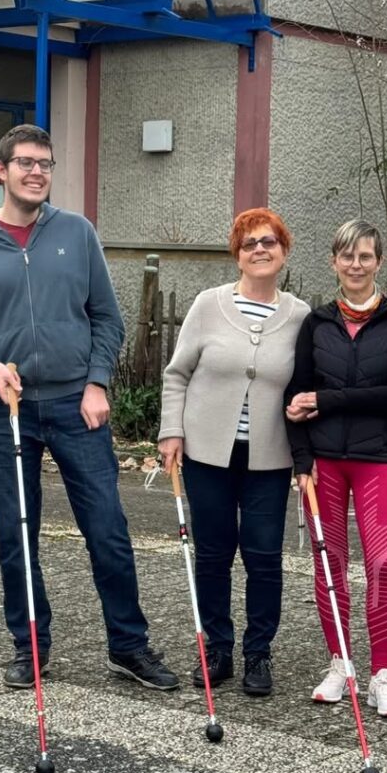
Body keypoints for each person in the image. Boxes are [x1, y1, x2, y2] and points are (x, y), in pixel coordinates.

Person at [0, 123, 178, 692]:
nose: (37, 171)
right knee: (17, 534)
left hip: (75, 404)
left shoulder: (77, 233)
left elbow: (107, 319)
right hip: (5, 411)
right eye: (24, 162)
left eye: (45, 162)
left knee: (108, 529)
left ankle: (128, 645)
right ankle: (31, 646)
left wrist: (97, 383)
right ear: (1, 172)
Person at [158, 208, 310, 696]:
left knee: (264, 556)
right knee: (213, 553)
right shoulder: (208, 304)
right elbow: (176, 374)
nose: (260, 250)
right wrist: (170, 432)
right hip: (207, 454)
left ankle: (258, 653)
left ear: (283, 251)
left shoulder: (301, 315)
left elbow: (307, 385)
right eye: (249, 243)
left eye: (269, 242)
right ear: (237, 254)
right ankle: (217, 647)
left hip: (269, 458)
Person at [285, 219, 387, 717]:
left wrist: (329, 399)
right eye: (347, 256)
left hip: (377, 460)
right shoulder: (316, 323)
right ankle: (340, 664)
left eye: (365, 256)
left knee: (384, 565)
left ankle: (382, 674)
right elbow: (293, 398)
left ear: (378, 262)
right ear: (334, 262)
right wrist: (302, 461)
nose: (356, 264)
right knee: (329, 566)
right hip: (323, 464)